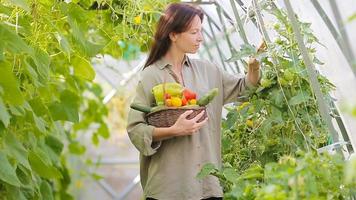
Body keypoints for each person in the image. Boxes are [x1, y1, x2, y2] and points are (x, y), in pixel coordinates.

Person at [127, 3, 262, 200]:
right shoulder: (151, 76)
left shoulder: (208, 70)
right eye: (194, 32)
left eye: (201, 31)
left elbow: (244, 88)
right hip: (168, 188)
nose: (200, 38)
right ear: (173, 35)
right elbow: (135, 130)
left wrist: (254, 68)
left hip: (207, 185)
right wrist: (173, 130)